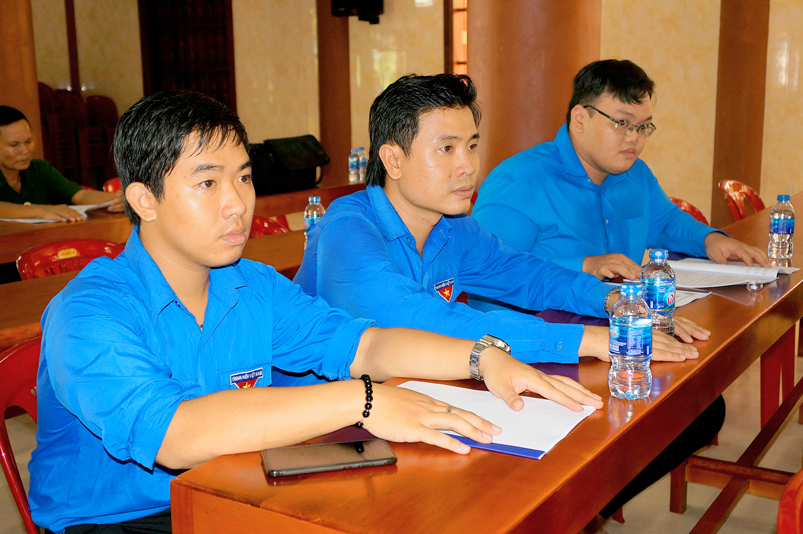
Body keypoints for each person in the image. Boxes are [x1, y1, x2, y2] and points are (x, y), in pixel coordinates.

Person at [27, 90, 602, 534]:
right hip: (118, 521)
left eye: (243, 178)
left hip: (237, 485)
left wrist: (480, 357)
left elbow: (364, 344)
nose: (236, 204)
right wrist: (364, 400)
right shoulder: (90, 311)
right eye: (207, 183)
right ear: (143, 199)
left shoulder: (251, 284)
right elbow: (176, 434)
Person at [293, 73, 723, 527]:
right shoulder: (348, 229)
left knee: (605, 429)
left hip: (414, 399)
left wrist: (613, 300)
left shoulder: (451, 226)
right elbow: (426, 321)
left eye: (472, 145)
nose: (467, 166)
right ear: (393, 160)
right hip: (326, 433)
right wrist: (585, 339)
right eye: (446, 149)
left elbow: (524, 273)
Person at [471, 59, 768, 304]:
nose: (634, 138)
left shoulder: (635, 174)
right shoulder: (519, 182)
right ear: (580, 119)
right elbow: (487, 273)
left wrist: (711, 240)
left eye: (643, 127)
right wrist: (586, 265)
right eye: (622, 123)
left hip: (619, 321)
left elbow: (665, 224)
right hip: (537, 334)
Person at [0, 105, 123, 222]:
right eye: (14, 145)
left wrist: (120, 199)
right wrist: (40, 210)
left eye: (28, 142)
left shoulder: (39, 169)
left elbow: (79, 196)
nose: (25, 151)